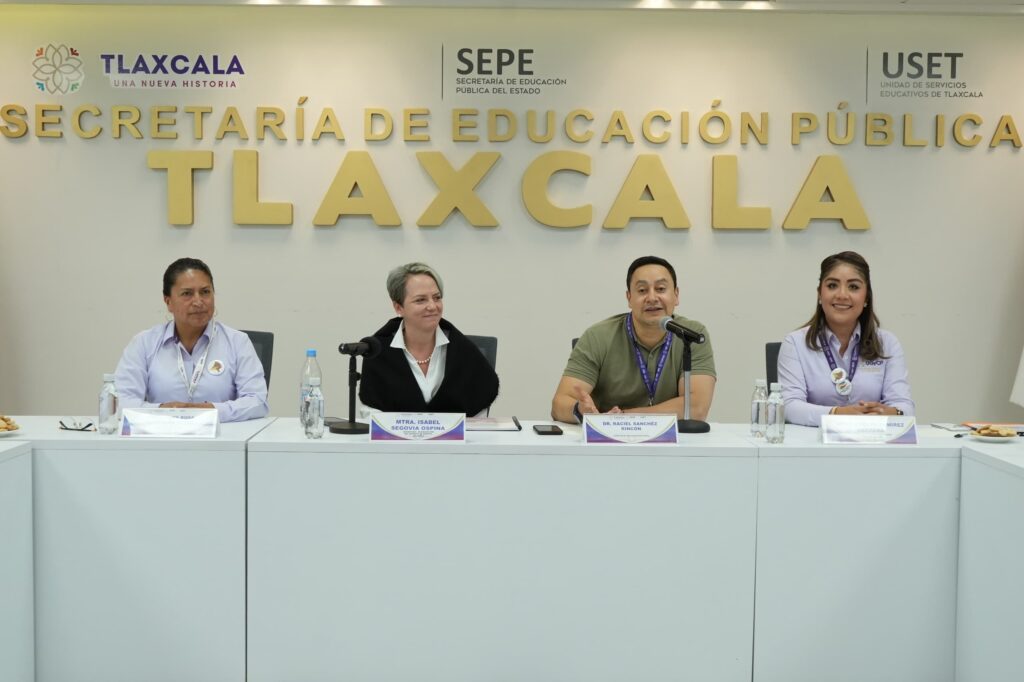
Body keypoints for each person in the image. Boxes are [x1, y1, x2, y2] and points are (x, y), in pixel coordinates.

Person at [551, 256, 716, 423]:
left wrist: (623, 417)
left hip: (669, 438)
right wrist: (579, 410)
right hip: (608, 437)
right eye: (642, 290)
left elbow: (696, 407)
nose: (652, 298)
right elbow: (559, 404)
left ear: (676, 295)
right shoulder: (598, 337)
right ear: (629, 298)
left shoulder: (691, 336)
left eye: (660, 289)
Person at [114, 258, 269, 422]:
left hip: (223, 435)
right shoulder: (144, 344)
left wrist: (211, 411)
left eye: (205, 292)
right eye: (187, 294)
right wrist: (162, 411)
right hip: (162, 434)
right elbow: (121, 402)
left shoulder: (238, 342)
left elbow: (257, 402)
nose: (198, 301)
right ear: (168, 302)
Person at [777, 250, 914, 426]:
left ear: (866, 297)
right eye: (832, 285)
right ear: (820, 294)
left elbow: (904, 406)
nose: (842, 295)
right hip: (814, 441)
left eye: (853, 287)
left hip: (872, 439)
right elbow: (789, 407)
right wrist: (838, 414)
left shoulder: (887, 343)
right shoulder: (795, 343)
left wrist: (889, 412)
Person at [359, 262, 499, 415]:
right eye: (420, 300)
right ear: (399, 307)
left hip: (459, 431)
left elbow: (479, 408)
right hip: (393, 432)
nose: (433, 306)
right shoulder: (377, 351)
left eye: (437, 298)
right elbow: (370, 412)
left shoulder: (464, 350)